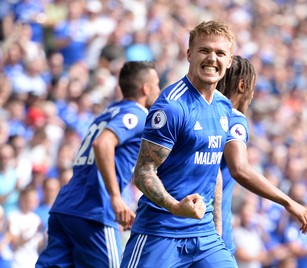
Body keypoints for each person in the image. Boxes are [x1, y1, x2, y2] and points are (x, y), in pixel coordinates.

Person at [121, 20, 237, 268]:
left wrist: (216, 227)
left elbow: (212, 167)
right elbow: (143, 172)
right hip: (160, 232)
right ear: (189, 54)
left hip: (204, 236)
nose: (212, 58)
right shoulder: (172, 107)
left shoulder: (224, 107)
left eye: (219, 53)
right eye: (204, 50)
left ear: (229, 60)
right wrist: (175, 207)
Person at [35, 61, 160, 267]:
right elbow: (102, 144)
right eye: (156, 84)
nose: (159, 89)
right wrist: (116, 197)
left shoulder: (105, 113)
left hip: (65, 207)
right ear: (145, 88)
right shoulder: (137, 115)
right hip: (94, 212)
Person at [217, 55, 307, 260]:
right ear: (242, 86)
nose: (252, 96)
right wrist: (287, 202)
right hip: (212, 231)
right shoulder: (235, 119)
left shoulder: (207, 113)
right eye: (253, 88)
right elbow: (240, 169)